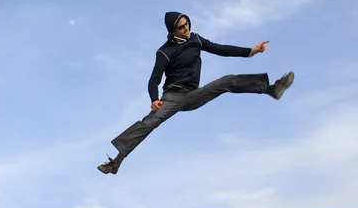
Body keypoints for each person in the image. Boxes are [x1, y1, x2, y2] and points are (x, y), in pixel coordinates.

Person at [97, 11, 294, 175]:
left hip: (193, 95)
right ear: (173, 31)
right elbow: (153, 80)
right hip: (171, 97)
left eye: (187, 24)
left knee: (227, 81)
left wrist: (250, 51)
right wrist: (154, 99)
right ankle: (116, 162)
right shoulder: (164, 52)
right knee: (148, 123)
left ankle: (271, 88)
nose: (187, 29)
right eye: (181, 27)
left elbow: (221, 49)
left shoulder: (195, 39)